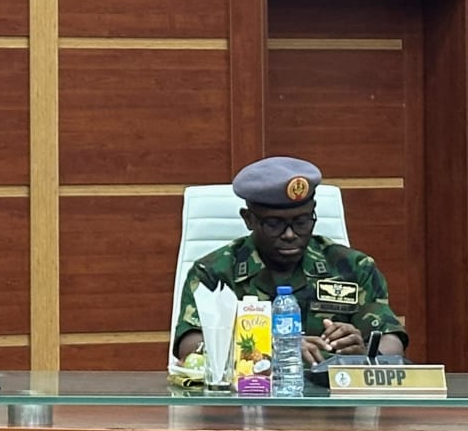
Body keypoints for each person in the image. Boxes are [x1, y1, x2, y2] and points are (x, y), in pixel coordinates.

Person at [172, 156, 407, 368]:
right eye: (274, 224)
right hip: (243, 403)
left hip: (332, 407)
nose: (290, 234)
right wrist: (266, 350)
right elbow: (190, 345)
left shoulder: (353, 267)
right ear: (249, 219)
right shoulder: (214, 271)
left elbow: (392, 342)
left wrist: (363, 353)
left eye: (302, 221)